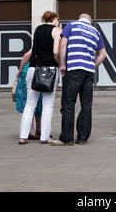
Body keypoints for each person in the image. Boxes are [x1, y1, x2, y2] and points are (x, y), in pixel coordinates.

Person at [50, 13, 106, 146]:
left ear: (80, 18)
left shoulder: (72, 25)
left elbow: (63, 45)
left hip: (74, 68)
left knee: (68, 104)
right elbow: (103, 54)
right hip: (88, 72)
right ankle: (82, 138)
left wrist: (62, 64)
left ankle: (67, 138)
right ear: (90, 21)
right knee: (86, 104)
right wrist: (92, 65)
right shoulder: (95, 31)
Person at [19, 11, 62, 144]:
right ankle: (44, 137)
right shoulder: (57, 30)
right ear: (56, 19)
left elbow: (33, 51)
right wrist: (59, 63)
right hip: (48, 70)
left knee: (29, 104)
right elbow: (56, 51)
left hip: (33, 69)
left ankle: (23, 137)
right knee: (48, 104)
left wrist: (20, 70)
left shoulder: (37, 30)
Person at [16, 49, 42, 140]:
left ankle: (38, 129)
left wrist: (20, 71)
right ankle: (31, 130)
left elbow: (25, 56)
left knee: (34, 102)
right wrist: (20, 71)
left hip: (32, 72)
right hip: (33, 73)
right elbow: (26, 56)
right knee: (32, 102)